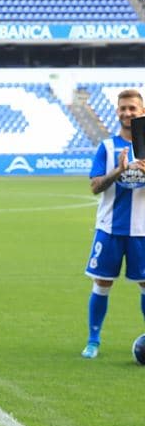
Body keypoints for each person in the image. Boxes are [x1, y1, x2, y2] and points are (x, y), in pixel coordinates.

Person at [81, 88, 145, 359]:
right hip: (109, 228)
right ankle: (93, 341)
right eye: (123, 108)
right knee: (101, 283)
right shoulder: (107, 147)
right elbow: (95, 186)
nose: (127, 113)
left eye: (132, 108)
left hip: (142, 230)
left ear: (142, 112)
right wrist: (118, 171)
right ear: (117, 111)